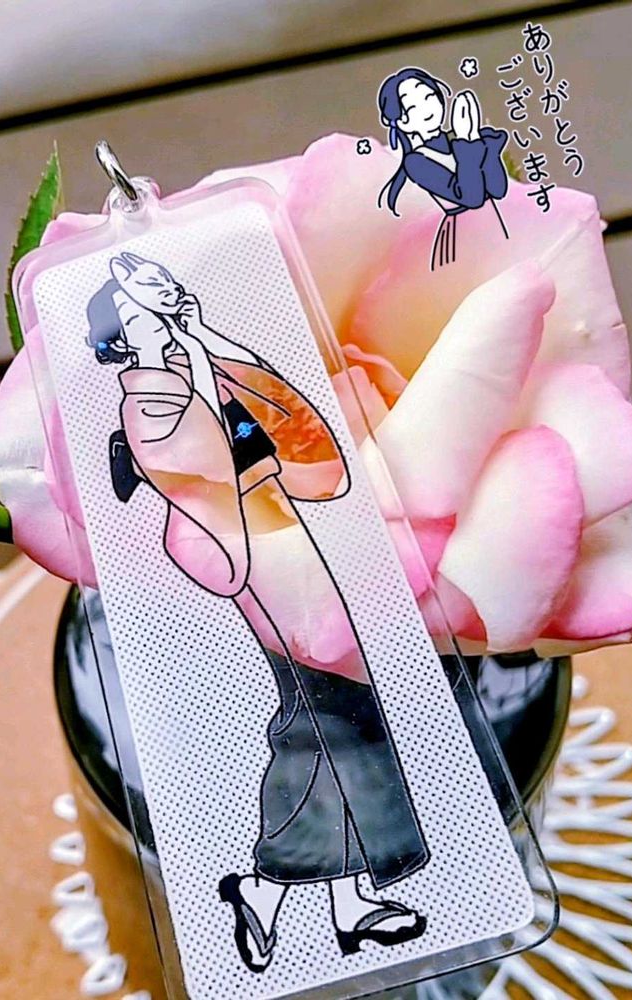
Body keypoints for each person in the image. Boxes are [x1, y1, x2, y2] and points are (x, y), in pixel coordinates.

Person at [85, 251, 429, 973]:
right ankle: (271, 882)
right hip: (250, 559)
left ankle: (332, 900)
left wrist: (208, 336)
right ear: (121, 338)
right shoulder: (144, 402)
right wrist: (196, 357)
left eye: (165, 300)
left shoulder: (194, 363)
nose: (164, 315)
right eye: (146, 312)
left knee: (336, 715)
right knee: (321, 716)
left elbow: (300, 433)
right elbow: (225, 459)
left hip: (294, 548)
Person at [377, 66, 510, 269]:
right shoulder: (417, 162)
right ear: (401, 122)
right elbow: (470, 197)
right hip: (462, 240)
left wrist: (474, 136)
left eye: (429, 97)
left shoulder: (460, 140)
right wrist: (467, 140)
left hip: (492, 222)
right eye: (413, 107)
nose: (427, 108)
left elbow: (497, 188)